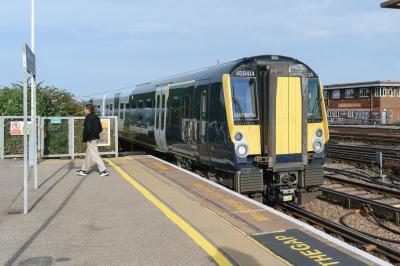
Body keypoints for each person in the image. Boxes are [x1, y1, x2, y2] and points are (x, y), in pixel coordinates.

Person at [76, 104, 110, 176]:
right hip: (94, 138)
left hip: (90, 139)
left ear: (88, 109)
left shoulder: (88, 117)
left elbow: (87, 129)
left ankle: (104, 170)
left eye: (85, 109)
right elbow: (100, 128)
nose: (84, 110)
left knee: (95, 155)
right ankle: (84, 170)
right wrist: (94, 134)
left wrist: (86, 138)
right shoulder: (96, 117)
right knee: (88, 155)